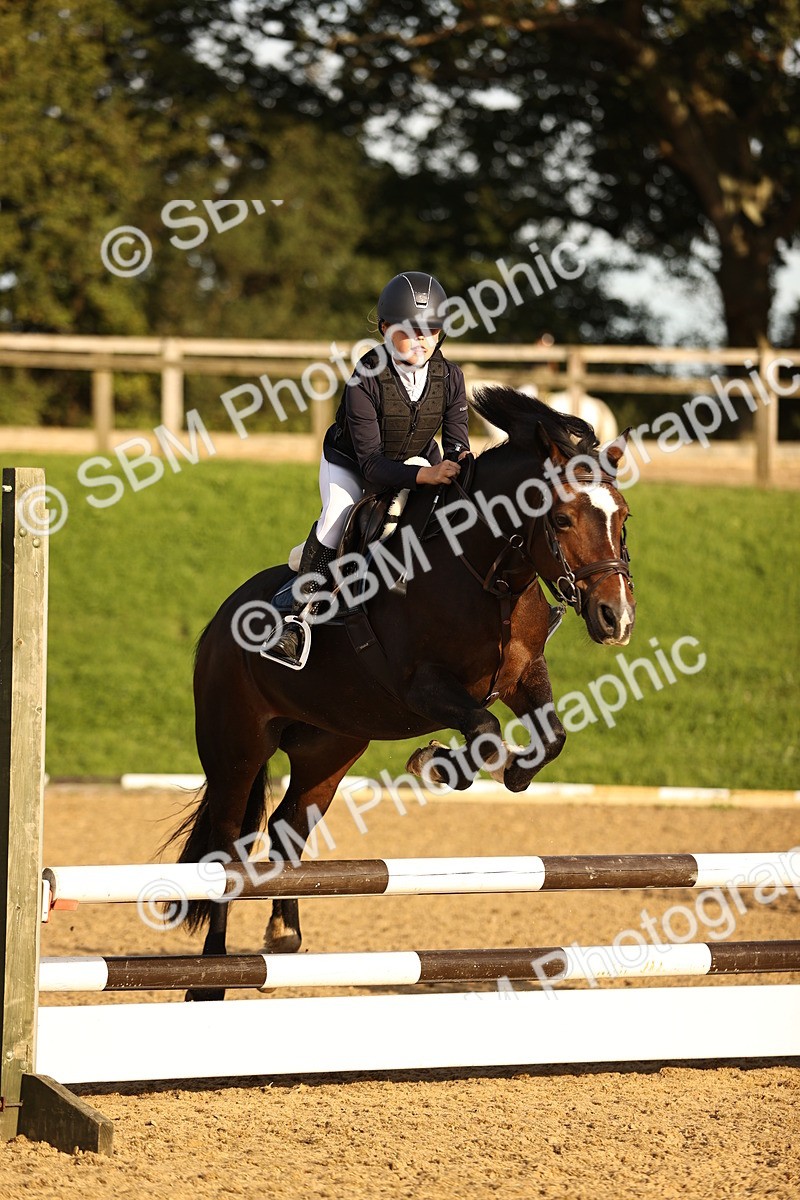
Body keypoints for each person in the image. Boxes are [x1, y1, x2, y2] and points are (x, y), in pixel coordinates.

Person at [265, 270, 470, 669]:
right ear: (385, 329)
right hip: (353, 465)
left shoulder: (451, 378)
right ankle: (294, 620)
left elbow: (458, 443)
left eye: (431, 330)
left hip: (414, 458)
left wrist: (461, 464)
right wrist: (424, 476)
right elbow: (373, 467)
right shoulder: (365, 379)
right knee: (337, 517)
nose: (421, 340)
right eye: (409, 331)